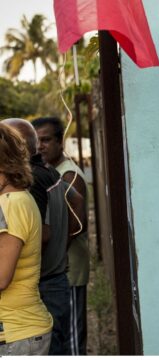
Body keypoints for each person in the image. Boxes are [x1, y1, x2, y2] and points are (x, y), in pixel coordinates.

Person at [2, 118, 85, 355]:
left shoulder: (27, 186)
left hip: (43, 285)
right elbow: (76, 200)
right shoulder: (48, 172)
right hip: (51, 279)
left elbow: (40, 235)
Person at [32, 116, 89, 355]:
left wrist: (57, 252)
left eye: (46, 140)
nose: (40, 146)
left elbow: (78, 224)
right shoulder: (50, 173)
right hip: (60, 268)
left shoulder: (68, 175)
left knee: (72, 341)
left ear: (60, 142)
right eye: (37, 141)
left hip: (69, 269)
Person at [0, 123, 53, 355]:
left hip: (16, 334)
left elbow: (1, 278)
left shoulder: (10, 204)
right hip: (21, 331)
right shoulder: (18, 198)